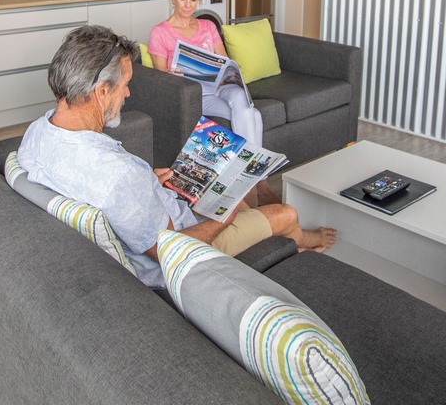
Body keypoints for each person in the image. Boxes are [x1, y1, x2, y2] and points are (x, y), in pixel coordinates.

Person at [17, 25, 336, 289]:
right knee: (286, 214)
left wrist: (148, 185)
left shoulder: (37, 133)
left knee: (238, 191)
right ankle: (304, 242)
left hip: (154, 210)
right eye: (126, 85)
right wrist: (223, 215)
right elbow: (172, 252)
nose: (128, 94)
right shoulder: (119, 177)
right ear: (101, 91)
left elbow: (115, 194)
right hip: (182, 252)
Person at [147, 0, 275, 204]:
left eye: (193, 0)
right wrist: (171, 73)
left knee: (240, 99)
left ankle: (250, 185)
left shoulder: (207, 27)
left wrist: (229, 71)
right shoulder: (160, 33)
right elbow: (159, 77)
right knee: (251, 114)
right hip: (197, 95)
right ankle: (259, 183)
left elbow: (224, 61)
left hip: (220, 87)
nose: (188, 5)